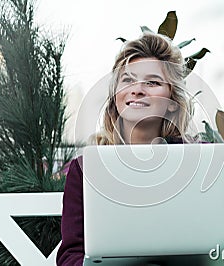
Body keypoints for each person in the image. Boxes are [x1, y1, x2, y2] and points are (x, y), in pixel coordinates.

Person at [56, 32, 196, 266]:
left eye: (152, 82)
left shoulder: (197, 161)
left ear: (172, 103)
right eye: (128, 80)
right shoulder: (86, 170)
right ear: (115, 97)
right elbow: (71, 255)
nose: (137, 89)